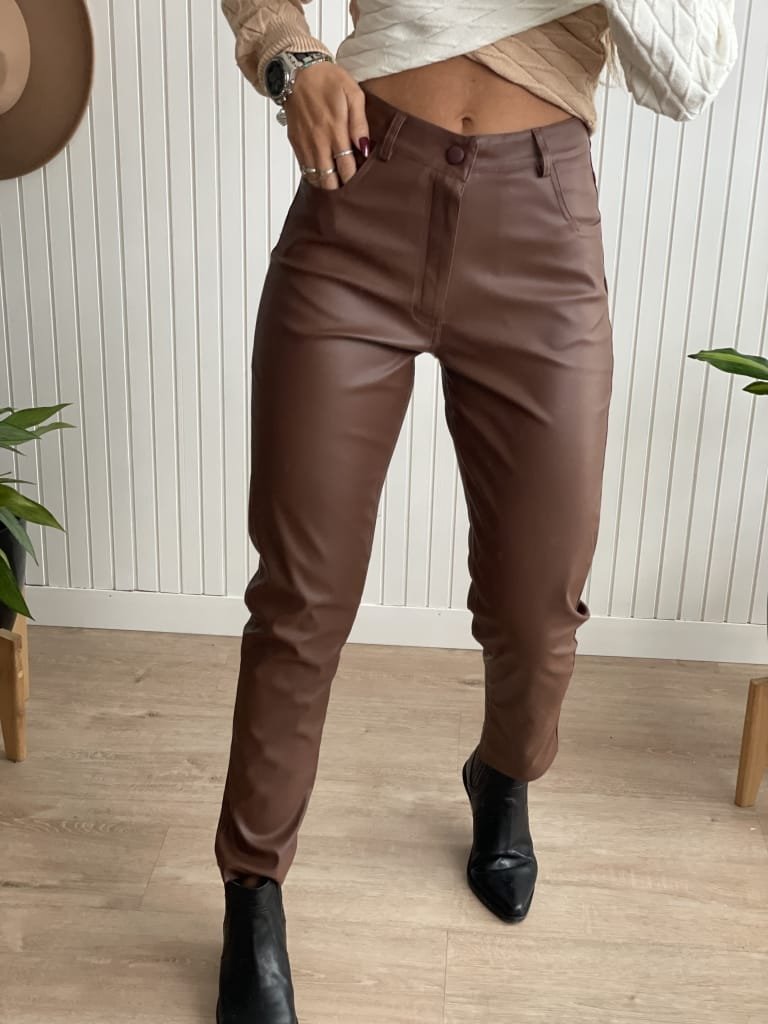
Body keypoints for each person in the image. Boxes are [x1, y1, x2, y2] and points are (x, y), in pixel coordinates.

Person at [212, 2, 738, 1021]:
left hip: (541, 222)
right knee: (300, 596)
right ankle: (252, 890)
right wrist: (290, 59)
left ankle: (503, 773)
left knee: (541, 599)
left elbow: (688, 80)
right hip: (361, 186)